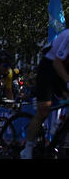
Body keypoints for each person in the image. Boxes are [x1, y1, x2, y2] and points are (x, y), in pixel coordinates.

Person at [20, 29, 69, 159]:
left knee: (66, 99)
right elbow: (57, 63)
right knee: (43, 111)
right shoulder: (68, 36)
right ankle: (27, 149)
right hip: (49, 68)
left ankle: (58, 126)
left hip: (64, 69)